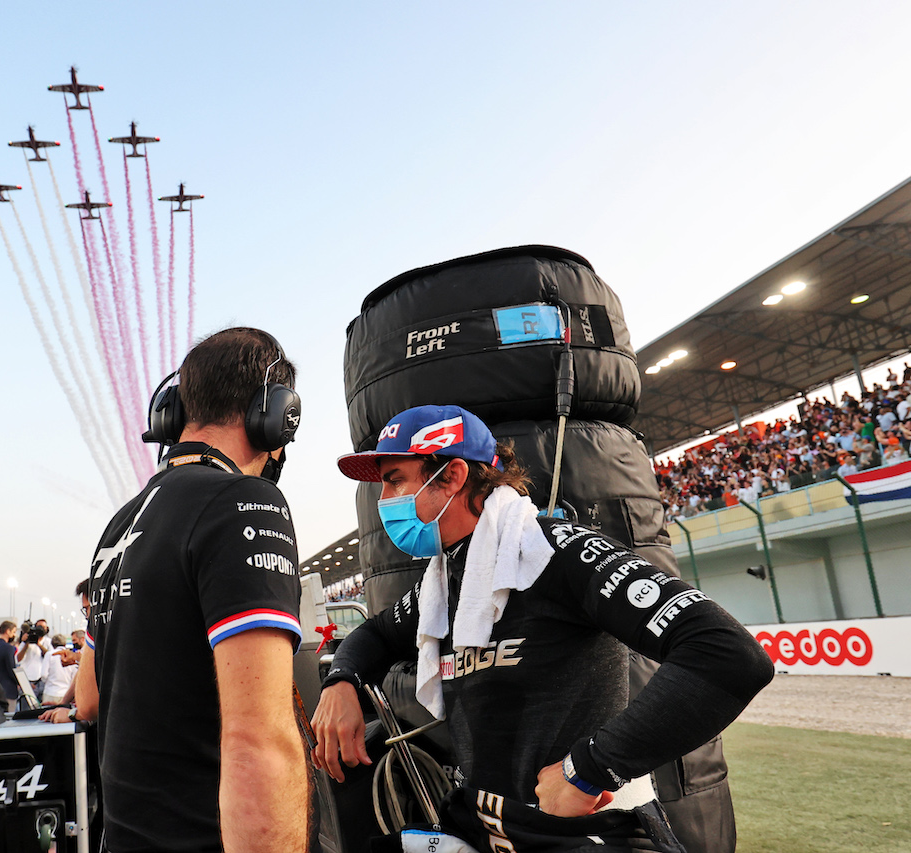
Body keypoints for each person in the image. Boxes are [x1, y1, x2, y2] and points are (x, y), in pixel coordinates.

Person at [313, 405, 775, 853]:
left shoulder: (554, 551)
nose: (384, 502)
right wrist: (342, 683)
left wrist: (588, 768)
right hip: (494, 827)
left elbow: (727, 654)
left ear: (451, 476)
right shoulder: (445, 580)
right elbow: (374, 634)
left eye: (395, 482)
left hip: (585, 828)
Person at [76, 327, 309, 853]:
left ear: (173, 414)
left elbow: (88, 698)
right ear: (275, 416)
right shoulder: (244, 501)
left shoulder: (119, 525)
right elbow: (259, 744)